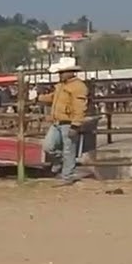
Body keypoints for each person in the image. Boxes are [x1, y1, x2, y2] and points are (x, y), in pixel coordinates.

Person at [36, 58, 89, 186]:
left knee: (68, 149)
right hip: (58, 121)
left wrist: (75, 124)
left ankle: (67, 175)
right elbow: (54, 97)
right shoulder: (61, 86)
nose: (60, 75)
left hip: (68, 122)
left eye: (62, 72)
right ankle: (65, 165)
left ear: (70, 72)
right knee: (48, 147)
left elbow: (80, 107)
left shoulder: (78, 87)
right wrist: (40, 98)